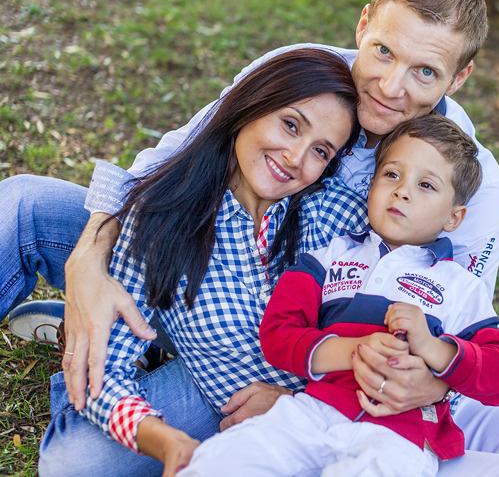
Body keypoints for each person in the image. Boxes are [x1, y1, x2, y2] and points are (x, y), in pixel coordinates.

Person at [4, 0, 499, 476]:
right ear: (363, 25)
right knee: (25, 204)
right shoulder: (293, 72)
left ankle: (113, 341)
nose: (389, 85)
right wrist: (90, 259)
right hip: (199, 252)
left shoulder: (467, 182)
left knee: (81, 463)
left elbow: (446, 319)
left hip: (295, 353)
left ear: (459, 78)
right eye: (383, 52)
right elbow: (168, 161)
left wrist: (314, 392)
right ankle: (107, 321)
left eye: (424, 72)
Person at [38, 48, 369, 476]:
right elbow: (108, 378)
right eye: (290, 125)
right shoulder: (161, 218)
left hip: (332, 417)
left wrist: (304, 402)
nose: (296, 157)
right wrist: (166, 441)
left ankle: (116, 350)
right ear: (252, 104)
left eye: (321, 151)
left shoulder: (339, 216)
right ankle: (90, 341)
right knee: (73, 465)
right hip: (219, 403)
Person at [180, 117, 499, 476]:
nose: (402, 191)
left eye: (425, 185)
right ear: (371, 186)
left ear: (454, 217)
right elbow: (278, 334)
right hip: (312, 411)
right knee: (222, 460)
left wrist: (433, 348)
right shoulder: (329, 258)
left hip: (399, 436)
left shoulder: (459, 287)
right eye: (391, 175)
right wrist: (358, 350)